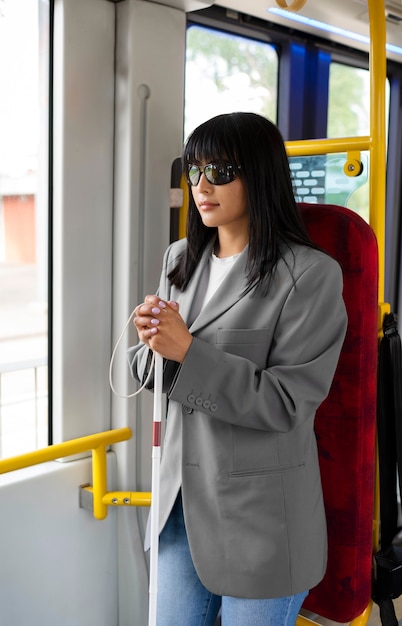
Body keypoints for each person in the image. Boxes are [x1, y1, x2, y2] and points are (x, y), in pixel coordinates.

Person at [128, 112, 347, 626]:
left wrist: (187, 351)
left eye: (221, 171)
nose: (203, 186)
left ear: (262, 175)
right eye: (195, 171)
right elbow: (151, 372)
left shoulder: (310, 275)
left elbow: (286, 403)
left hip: (260, 518)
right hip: (177, 509)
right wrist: (150, 344)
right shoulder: (180, 259)